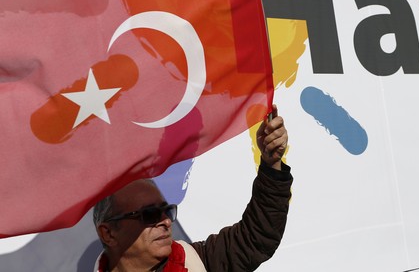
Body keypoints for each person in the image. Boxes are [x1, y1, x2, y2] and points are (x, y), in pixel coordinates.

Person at [92, 105, 292, 272]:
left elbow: (256, 237)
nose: (166, 221)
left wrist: (271, 164)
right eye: (149, 214)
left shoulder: (198, 261)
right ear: (108, 233)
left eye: (167, 211)